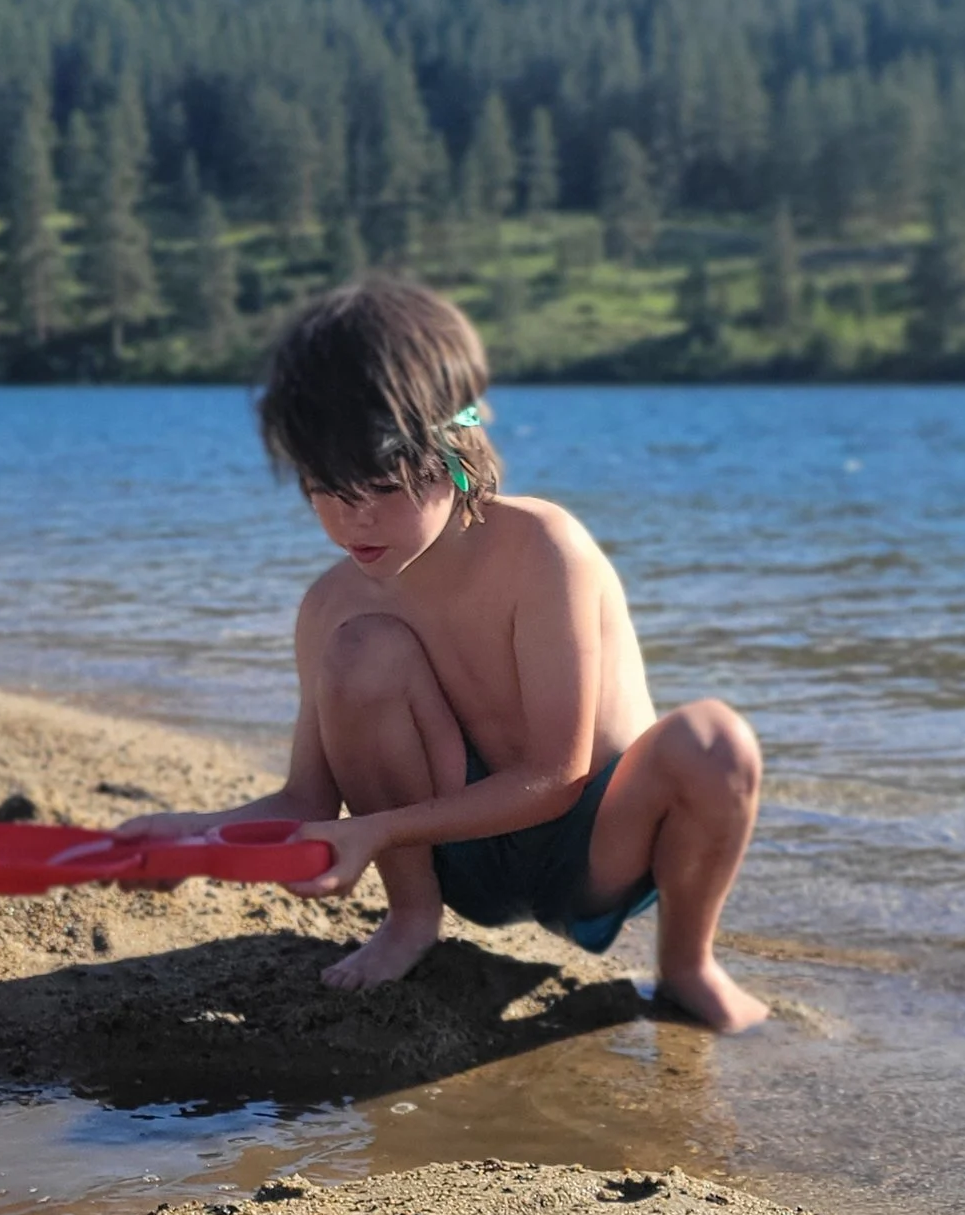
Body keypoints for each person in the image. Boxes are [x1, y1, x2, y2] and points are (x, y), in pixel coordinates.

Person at [121, 277, 768, 1032]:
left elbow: (558, 778)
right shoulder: (333, 604)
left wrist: (379, 830)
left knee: (715, 740)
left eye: (381, 488)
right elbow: (306, 803)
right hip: (453, 855)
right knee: (359, 651)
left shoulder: (541, 550)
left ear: (453, 450)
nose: (350, 522)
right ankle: (411, 918)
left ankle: (688, 964)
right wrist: (194, 839)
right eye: (323, 491)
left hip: (596, 844)